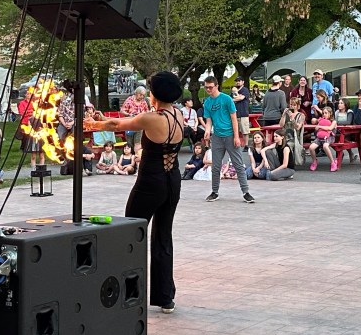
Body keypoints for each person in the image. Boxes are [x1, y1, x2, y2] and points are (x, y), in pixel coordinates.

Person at [84, 71, 186, 313]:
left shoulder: (153, 118)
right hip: (172, 181)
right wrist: (103, 118)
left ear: (154, 94)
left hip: (150, 183)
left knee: (132, 234)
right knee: (163, 237)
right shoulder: (178, 114)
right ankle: (165, 298)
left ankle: (130, 293)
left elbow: (118, 125)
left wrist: (94, 124)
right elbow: (130, 119)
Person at [200, 75, 253, 203]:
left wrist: (236, 136)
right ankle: (215, 191)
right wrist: (207, 131)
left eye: (210, 87)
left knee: (238, 164)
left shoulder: (226, 99)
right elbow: (209, 120)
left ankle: (246, 192)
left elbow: (234, 118)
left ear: (216, 86)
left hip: (230, 135)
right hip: (217, 136)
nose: (208, 90)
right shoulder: (207, 102)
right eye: (206, 87)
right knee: (216, 166)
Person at [306, 105, 339, 171]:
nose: (324, 114)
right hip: (320, 137)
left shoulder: (333, 121)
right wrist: (315, 121)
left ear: (330, 113)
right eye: (323, 113)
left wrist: (320, 127)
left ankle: (332, 162)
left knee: (325, 146)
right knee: (311, 147)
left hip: (329, 137)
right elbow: (315, 123)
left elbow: (330, 128)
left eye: (326, 113)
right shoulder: (321, 120)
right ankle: (314, 161)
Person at [120, 86, 151, 152]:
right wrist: (129, 114)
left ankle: (136, 155)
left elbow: (147, 111)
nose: (142, 97)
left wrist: (145, 114)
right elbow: (122, 111)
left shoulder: (143, 102)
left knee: (138, 142)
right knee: (129, 142)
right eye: (140, 95)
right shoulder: (129, 100)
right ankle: (130, 155)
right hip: (129, 124)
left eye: (143, 95)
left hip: (139, 125)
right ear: (136, 93)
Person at [279, 96, 307, 166]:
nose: (292, 107)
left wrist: (292, 118)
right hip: (285, 136)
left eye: (294, 105)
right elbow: (281, 125)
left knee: (288, 146)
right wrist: (283, 115)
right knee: (277, 144)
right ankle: (281, 162)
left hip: (295, 138)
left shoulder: (301, 115)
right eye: (291, 104)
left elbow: (298, 127)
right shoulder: (286, 115)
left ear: (297, 106)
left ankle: (287, 164)